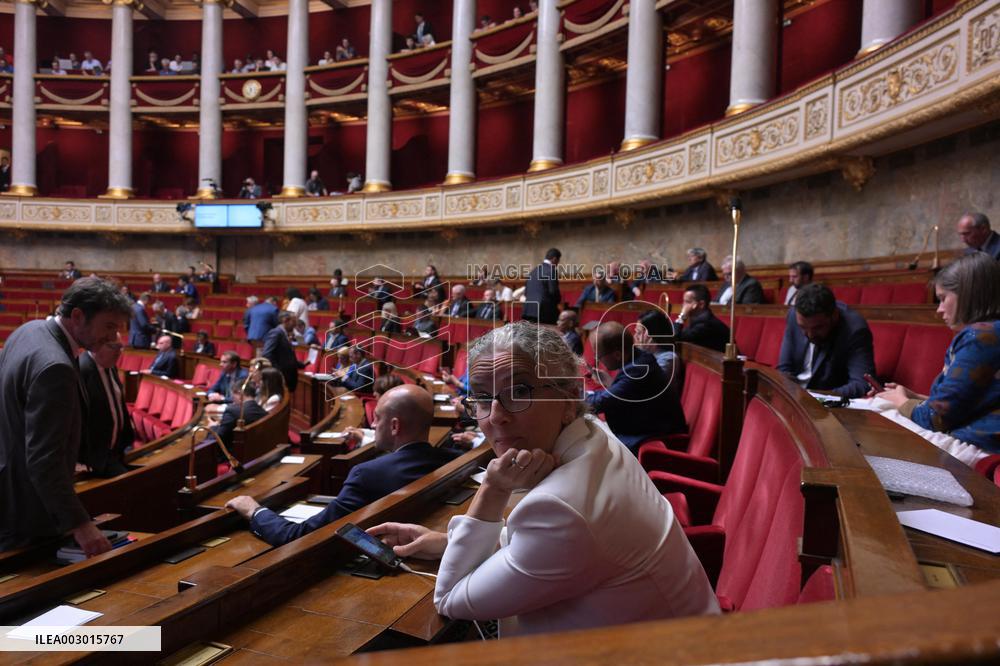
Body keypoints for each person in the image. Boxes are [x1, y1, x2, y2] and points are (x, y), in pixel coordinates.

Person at [368, 321, 718, 635]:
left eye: (519, 391)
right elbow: (544, 547)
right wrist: (448, 543)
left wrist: (493, 487)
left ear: (569, 397)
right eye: (482, 397)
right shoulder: (594, 434)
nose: (495, 416)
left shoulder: (560, 509)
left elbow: (449, 597)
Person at [227, 384, 460, 546]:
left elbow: (298, 536)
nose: (372, 423)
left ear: (395, 426)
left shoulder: (367, 474)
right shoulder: (452, 460)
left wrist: (254, 511)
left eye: (377, 417)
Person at [0, 277, 132, 555]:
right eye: (109, 326)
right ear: (78, 316)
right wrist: (81, 525)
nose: (112, 337)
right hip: (28, 509)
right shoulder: (55, 367)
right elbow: (43, 460)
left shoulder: (28, 330)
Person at [875, 252, 1000, 457]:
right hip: (976, 441)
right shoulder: (990, 333)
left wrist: (900, 401)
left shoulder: (981, 337)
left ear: (969, 296)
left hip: (978, 449)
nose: (939, 310)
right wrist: (914, 397)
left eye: (943, 299)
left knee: (878, 418)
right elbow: (970, 404)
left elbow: (936, 419)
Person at [587, 321, 686, 454]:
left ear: (617, 354)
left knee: (590, 446)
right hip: (642, 428)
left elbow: (601, 402)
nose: (597, 360)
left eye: (599, 355)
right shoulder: (637, 359)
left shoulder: (639, 369)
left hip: (655, 439)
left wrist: (573, 394)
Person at [777, 283, 875, 398]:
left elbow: (861, 384)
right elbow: (784, 368)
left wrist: (816, 398)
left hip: (828, 402)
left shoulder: (855, 329)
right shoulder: (794, 315)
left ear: (834, 315)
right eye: (803, 327)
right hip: (795, 396)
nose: (810, 335)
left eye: (817, 328)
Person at [78, 338, 133, 478]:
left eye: (121, 348)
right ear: (95, 346)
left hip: (117, 450)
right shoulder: (81, 370)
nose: (118, 353)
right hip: (95, 458)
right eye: (114, 347)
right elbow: (72, 420)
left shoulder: (110, 366)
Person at [674, 284, 730, 353]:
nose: (683, 306)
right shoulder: (700, 320)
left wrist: (681, 316)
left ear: (701, 304)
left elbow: (675, 337)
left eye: (687, 302)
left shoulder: (706, 324)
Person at [211, 383, 268, 451]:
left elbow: (219, 437)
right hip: (255, 452)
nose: (233, 400)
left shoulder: (232, 410)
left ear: (240, 394)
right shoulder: (263, 412)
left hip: (233, 455)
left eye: (233, 396)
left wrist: (212, 428)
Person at [263, 312, 306, 392]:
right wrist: (278, 372)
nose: (295, 324)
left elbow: (286, 356)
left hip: (288, 377)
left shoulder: (285, 334)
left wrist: (300, 364)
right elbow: (267, 354)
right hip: (281, 377)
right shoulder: (276, 333)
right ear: (285, 321)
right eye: (294, 321)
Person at [635, 309, 680, 385]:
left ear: (652, 335)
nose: (635, 336)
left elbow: (644, 385)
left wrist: (641, 353)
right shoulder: (645, 353)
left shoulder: (668, 357)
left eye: (639, 333)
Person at [522, 248, 562, 325]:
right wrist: (559, 300)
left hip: (528, 309)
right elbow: (553, 291)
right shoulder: (551, 270)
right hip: (543, 312)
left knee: (531, 335)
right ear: (554, 259)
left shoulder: (534, 270)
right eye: (558, 261)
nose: (557, 264)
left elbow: (526, 292)